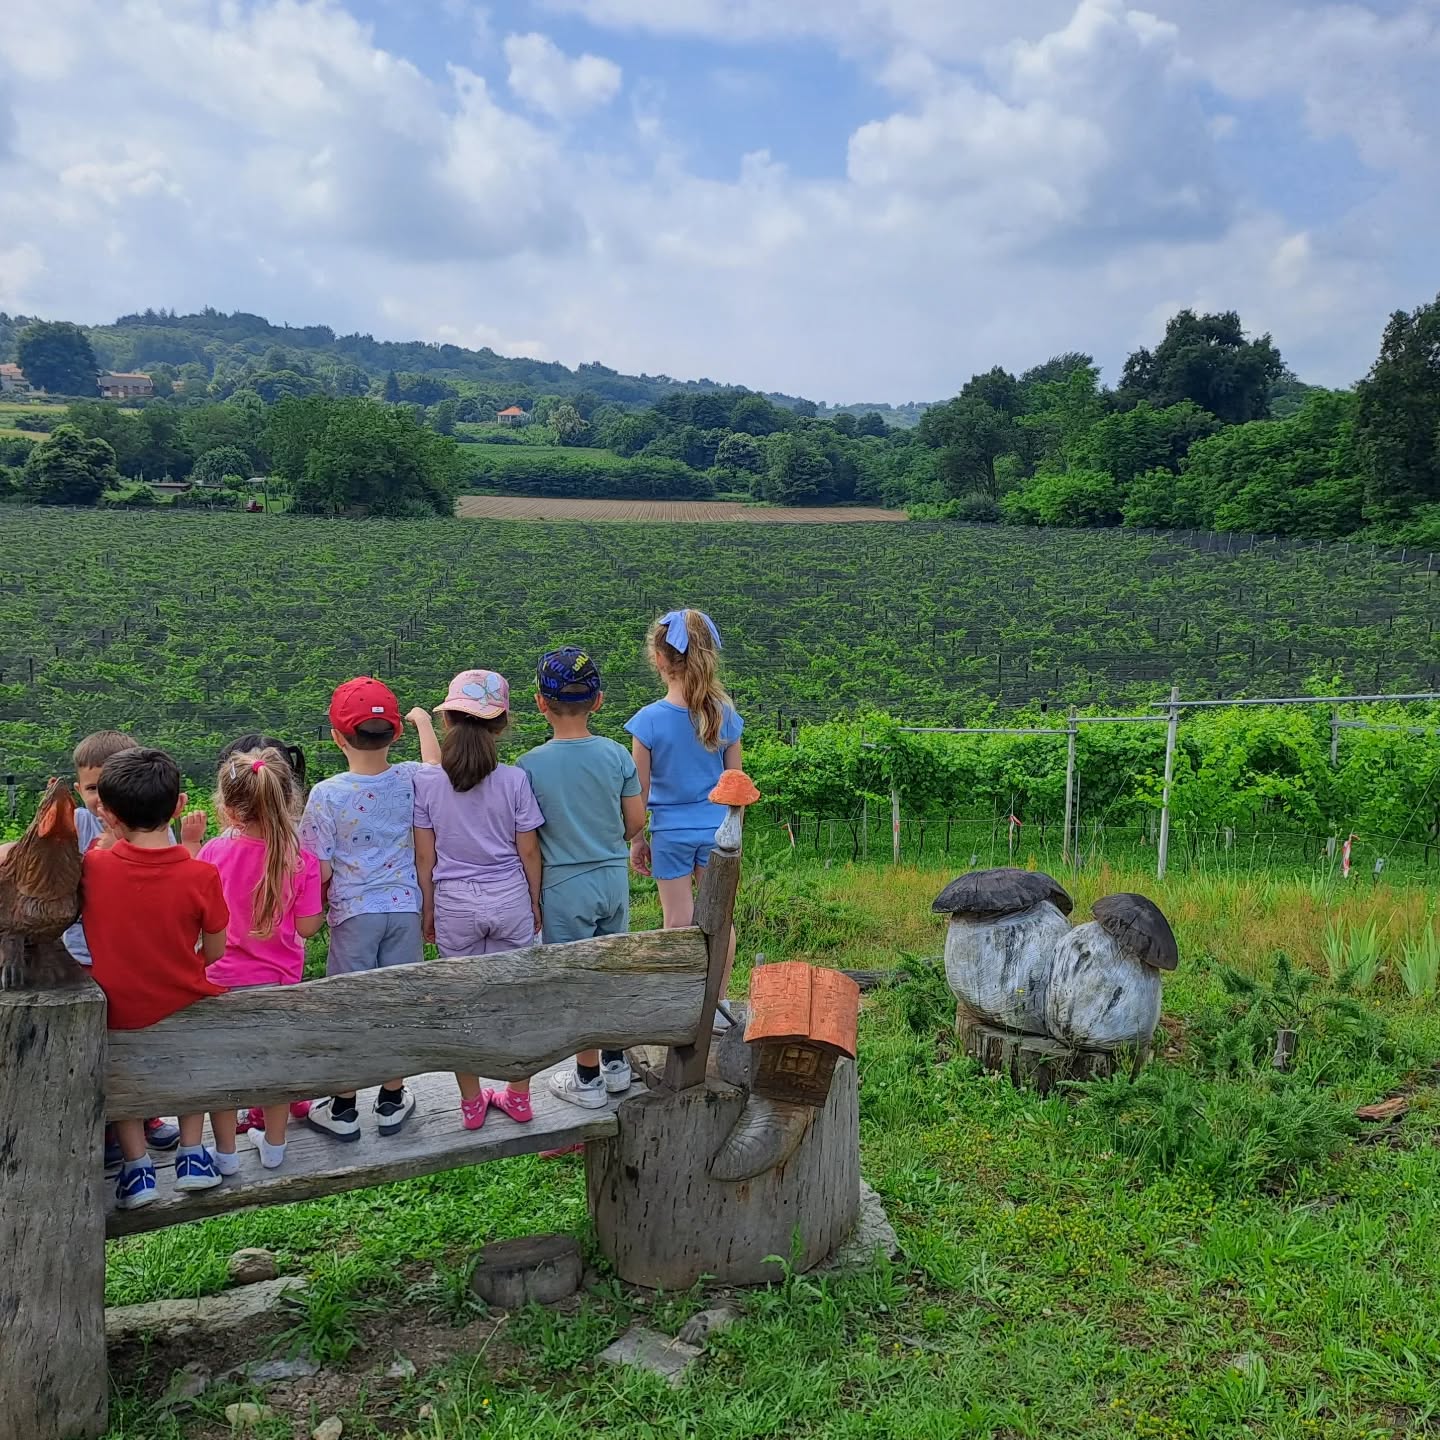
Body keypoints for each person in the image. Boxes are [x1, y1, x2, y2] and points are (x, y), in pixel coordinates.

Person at [81, 747, 232, 1210]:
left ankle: (137, 1170)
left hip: (117, 1006)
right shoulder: (201, 874)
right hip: (184, 999)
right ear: (179, 806)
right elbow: (216, 949)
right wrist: (186, 964)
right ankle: (192, 1156)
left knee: (123, 1080)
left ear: (107, 814)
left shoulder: (93, 867)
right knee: (190, 1070)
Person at [413, 670, 544, 1130]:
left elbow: (425, 856)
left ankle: (471, 1104)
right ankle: (518, 1096)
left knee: (461, 1005)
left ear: (447, 720)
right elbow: (529, 851)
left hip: (454, 903)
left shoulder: (428, 782)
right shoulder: (514, 780)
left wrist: (428, 909)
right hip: (508, 897)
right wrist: (534, 902)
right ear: (501, 725)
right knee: (516, 1001)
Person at [300, 678, 427, 1142]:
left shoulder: (326, 794)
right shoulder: (411, 777)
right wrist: (425, 723)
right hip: (405, 907)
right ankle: (392, 1099)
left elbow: (320, 866)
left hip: (354, 913)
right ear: (396, 733)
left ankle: (344, 1105)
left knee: (349, 1005)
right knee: (398, 1003)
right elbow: (437, 767)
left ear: (337, 736)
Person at [519, 647, 646, 1109]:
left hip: (563, 885)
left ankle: (587, 1078)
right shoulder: (616, 754)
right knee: (610, 972)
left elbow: (528, 839)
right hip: (612, 878)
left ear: (540, 703)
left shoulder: (528, 766)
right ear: (598, 701)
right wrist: (611, 840)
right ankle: (616, 1063)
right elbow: (636, 821)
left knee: (575, 982)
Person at [68, 729, 194, 1163]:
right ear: (78, 789)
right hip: (82, 954)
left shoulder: (156, 829)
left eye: (111, 787)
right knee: (95, 1044)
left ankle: (146, 1117)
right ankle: (105, 1126)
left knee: (138, 1042)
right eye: (92, 789)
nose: (102, 801)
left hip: (133, 957)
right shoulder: (76, 824)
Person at [197, 748, 324, 1169]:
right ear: (287, 801)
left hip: (221, 981)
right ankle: (274, 1146)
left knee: (223, 1071)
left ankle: (225, 1154)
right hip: (279, 983)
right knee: (275, 1068)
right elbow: (308, 926)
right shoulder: (300, 859)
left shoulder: (213, 852)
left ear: (229, 809)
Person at [625, 609, 744, 1025]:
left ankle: (681, 1006)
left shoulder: (647, 722)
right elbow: (735, 786)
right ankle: (718, 1004)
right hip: (719, 834)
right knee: (721, 920)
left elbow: (638, 794)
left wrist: (637, 840)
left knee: (677, 921)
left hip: (670, 834)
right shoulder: (725, 715)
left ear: (659, 660)